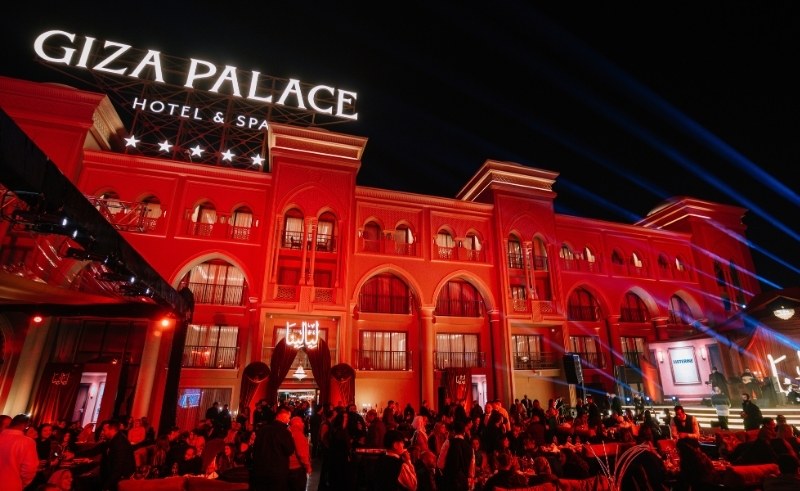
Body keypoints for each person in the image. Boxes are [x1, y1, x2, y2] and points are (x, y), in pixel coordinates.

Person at [82, 419, 137, 491]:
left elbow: (118, 469)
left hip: (121, 480)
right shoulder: (111, 440)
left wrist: (106, 487)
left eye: (104, 430)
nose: (102, 432)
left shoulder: (120, 443)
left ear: (112, 430)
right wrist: (74, 454)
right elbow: (94, 451)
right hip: (110, 475)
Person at [250, 405, 295, 491]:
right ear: (283, 416)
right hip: (278, 471)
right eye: (289, 417)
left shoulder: (263, 429)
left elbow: (256, 447)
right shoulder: (284, 432)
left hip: (261, 469)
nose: (289, 420)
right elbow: (290, 450)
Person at [0, 414, 39, 491]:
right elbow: (29, 469)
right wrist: (21, 483)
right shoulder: (27, 442)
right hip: (10, 485)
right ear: (26, 425)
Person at [437, 420, 474, 491]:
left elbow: (440, 464)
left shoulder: (448, 443)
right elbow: (471, 472)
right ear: (464, 432)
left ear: (454, 431)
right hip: (463, 483)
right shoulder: (470, 448)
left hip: (449, 482)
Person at [287, 416, 312, 491]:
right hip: (297, 468)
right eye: (302, 422)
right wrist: (308, 467)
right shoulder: (298, 434)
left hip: (288, 467)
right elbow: (302, 453)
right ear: (298, 424)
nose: (303, 424)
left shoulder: (288, 432)